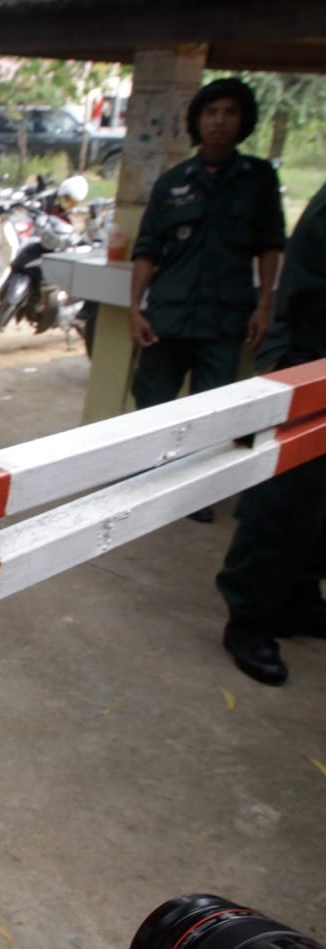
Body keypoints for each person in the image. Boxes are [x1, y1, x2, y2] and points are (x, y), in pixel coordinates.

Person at [128, 76, 284, 522]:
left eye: (229, 113)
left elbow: (271, 245)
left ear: (242, 122)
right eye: (211, 112)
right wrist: (135, 309)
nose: (219, 121)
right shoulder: (173, 182)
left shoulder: (257, 180)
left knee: (212, 407)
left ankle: (194, 495)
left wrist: (265, 304)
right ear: (197, 121)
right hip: (168, 315)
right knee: (152, 401)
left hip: (224, 316)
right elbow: (146, 251)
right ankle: (146, 483)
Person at [215, 181, 326, 686]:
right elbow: (307, 297)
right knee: (286, 499)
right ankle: (249, 617)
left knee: (319, 506)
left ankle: (300, 597)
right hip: (308, 359)